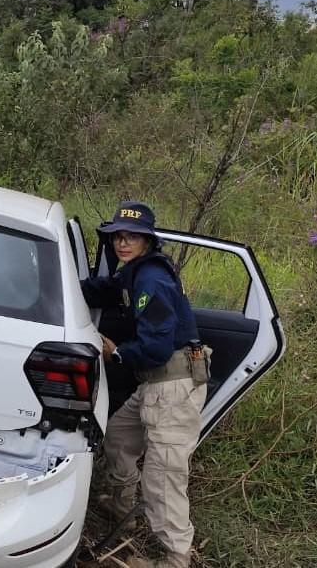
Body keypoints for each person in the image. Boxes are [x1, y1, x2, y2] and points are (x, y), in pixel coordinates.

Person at [80, 201, 211, 568]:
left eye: (132, 237)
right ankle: (122, 507)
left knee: (164, 472)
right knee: (119, 436)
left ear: (147, 242)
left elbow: (154, 346)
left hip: (172, 383)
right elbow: (105, 289)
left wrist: (117, 353)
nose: (123, 243)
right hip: (156, 382)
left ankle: (176, 557)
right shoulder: (135, 273)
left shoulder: (151, 279)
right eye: (119, 236)